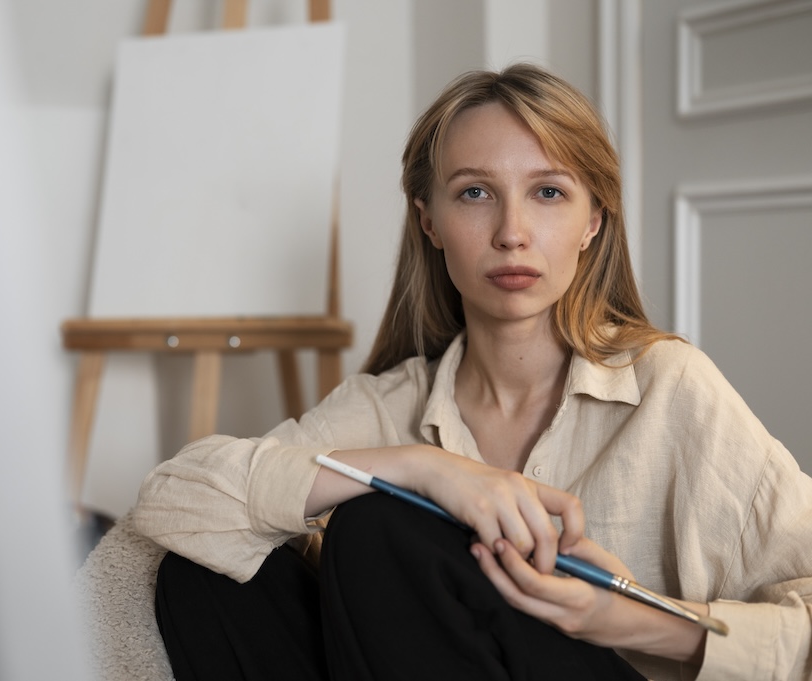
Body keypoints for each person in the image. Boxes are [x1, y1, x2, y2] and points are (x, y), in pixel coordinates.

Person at [133, 63, 812, 681]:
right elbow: (171, 503)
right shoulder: (388, 403)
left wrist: (625, 619)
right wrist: (426, 470)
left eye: (548, 192)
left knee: (378, 529)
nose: (512, 231)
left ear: (593, 223)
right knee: (205, 575)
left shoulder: (671, 387)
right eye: (476, 193)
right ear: (429, 221)